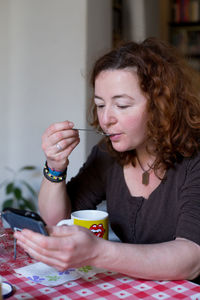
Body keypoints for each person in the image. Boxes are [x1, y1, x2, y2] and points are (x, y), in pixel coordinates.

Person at [14, 37, 200, 283]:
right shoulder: (107, 153)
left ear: (161, 105)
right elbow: (56, 219)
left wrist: (99, 252)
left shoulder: (194, 160)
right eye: (100, 105)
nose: (106, 119)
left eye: (122, 105)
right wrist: (55, 166)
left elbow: (191, 260)